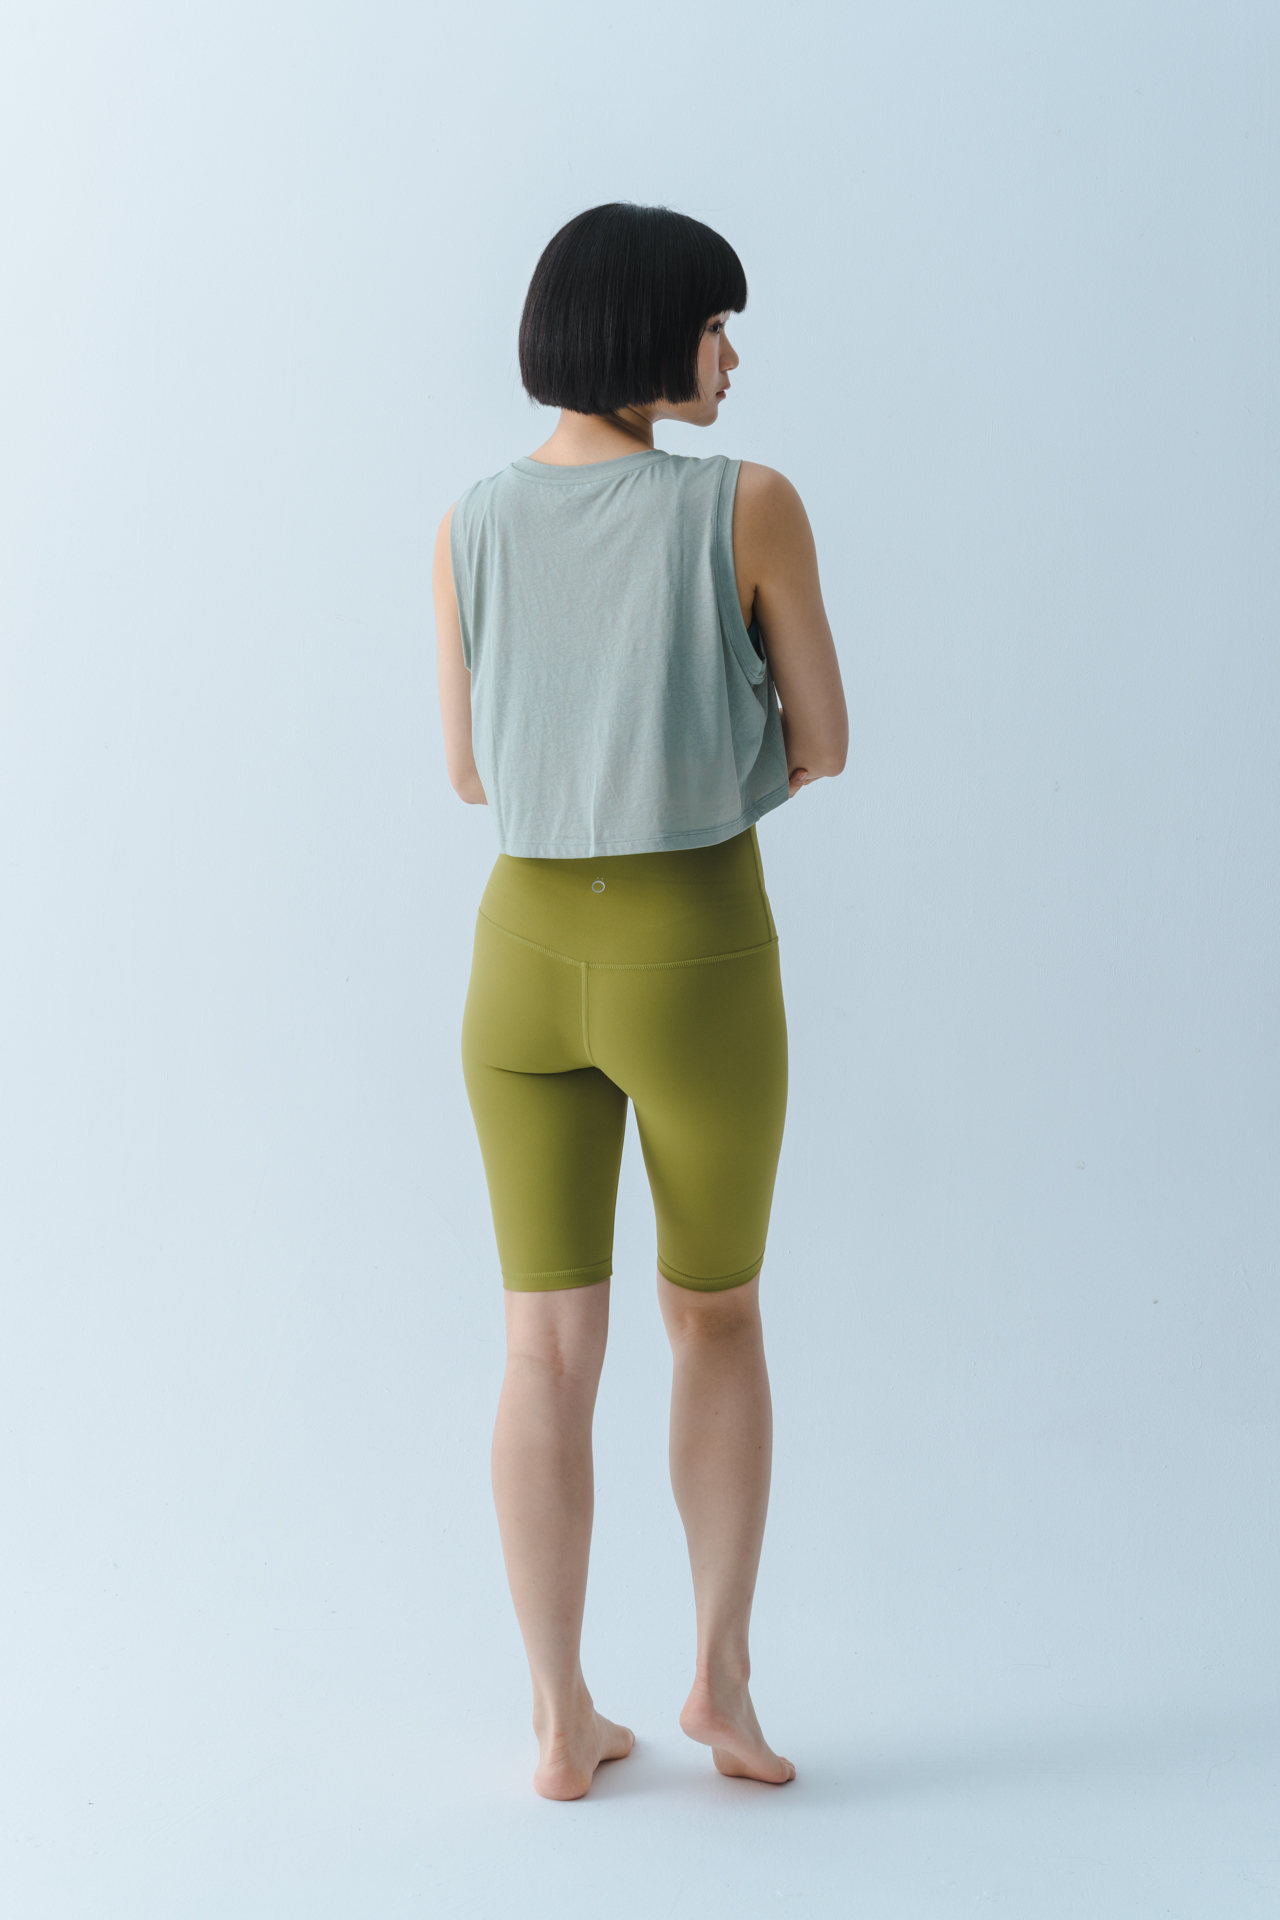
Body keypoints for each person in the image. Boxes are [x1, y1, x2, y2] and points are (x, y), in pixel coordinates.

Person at [432, 203, 847, 1801]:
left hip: (520, 966)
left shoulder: (471, 521)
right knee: (715, 1315)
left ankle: (558, 1722)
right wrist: (702, 755)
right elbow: (823, 739)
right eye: (715, 326)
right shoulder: (750, 506)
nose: (730, 358)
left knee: (544, 1349)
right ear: (643, 332)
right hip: (696, 957)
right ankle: (720, 1688)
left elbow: (471, 774)